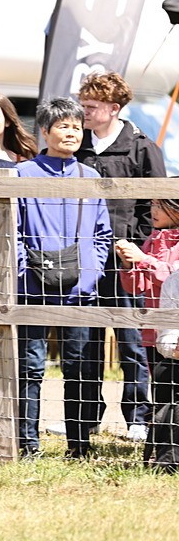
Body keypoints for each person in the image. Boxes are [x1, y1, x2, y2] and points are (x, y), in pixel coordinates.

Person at [16, 97, 112, 459]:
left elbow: (102, 233)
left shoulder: (90, 177)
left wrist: (92, 271)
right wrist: (27, 271)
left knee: (80, 368)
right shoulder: (23, 174)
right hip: (33, 288)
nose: (71, 132)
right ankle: (28, 445)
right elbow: (12, 230)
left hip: (80, 290)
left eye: (76, 125)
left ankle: (79, 445)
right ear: (44, 131)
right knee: (30, 368)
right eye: (63, 125)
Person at [75, 72, 160, 443]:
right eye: (83, 105)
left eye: (91, 107)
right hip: (85, 261)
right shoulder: (78, 147)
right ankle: (88, 417)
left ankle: (137, 417)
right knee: (87, 344)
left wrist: (139, 247)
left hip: (129, 262)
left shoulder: (143, 147)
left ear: (113, 108)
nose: (85, 113)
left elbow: (157, 206)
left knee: (131, 344)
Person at [118, 198, 179, 472]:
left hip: (175, 330)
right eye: (152, 204)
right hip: (154, 331)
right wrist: (130, 265)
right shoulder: (153, 239)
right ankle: (163, 455)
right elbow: (136, 287)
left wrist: (145, 260)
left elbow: (173, 278)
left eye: (159, 205)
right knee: (163, 394)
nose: (152, 211)